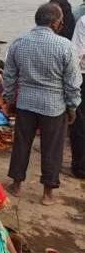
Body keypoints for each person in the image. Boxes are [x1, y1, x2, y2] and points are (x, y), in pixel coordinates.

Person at [3, 3, 81, 205]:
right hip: (54, 106)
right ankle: (47, 193)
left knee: (21, 143)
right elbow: (72, 82)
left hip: (26, 102)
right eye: (61, 20)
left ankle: (17, 184)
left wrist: (10, 100)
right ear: (55, 23)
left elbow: (9, 76)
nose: (63, 23)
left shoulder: (19, 42)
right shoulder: (65, 46)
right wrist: (72, 106)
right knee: (52, 148)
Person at [70, 13, 85, 179]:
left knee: (79, 122)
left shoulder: (83, 21)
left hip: (83, 74)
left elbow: (78, 54)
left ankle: (80, 167)